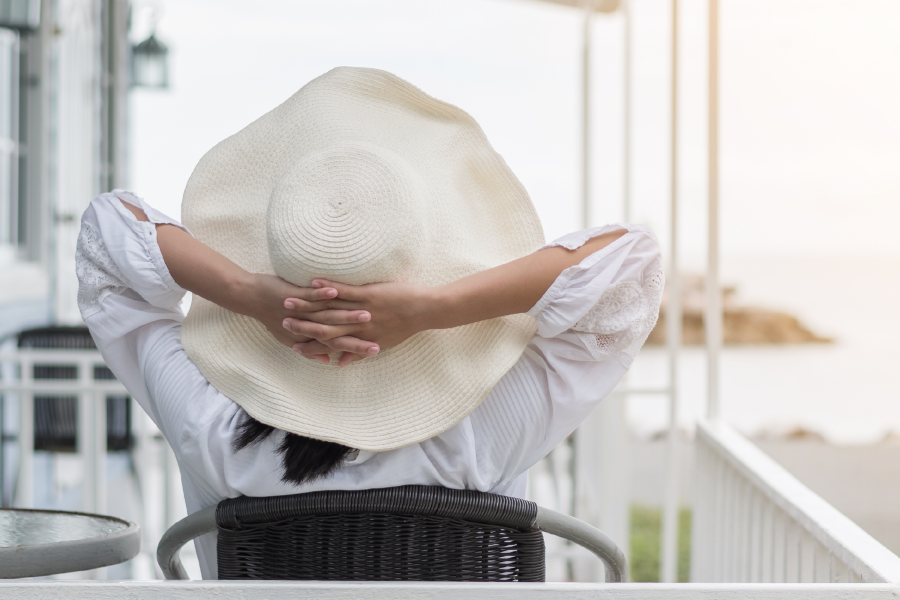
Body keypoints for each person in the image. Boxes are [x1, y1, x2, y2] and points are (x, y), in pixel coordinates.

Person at [77, 67, 662, 578]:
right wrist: (434, 308)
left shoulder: (215, 429)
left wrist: (250, 295)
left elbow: (106, 237)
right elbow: (632, 265)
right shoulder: (481, 430)